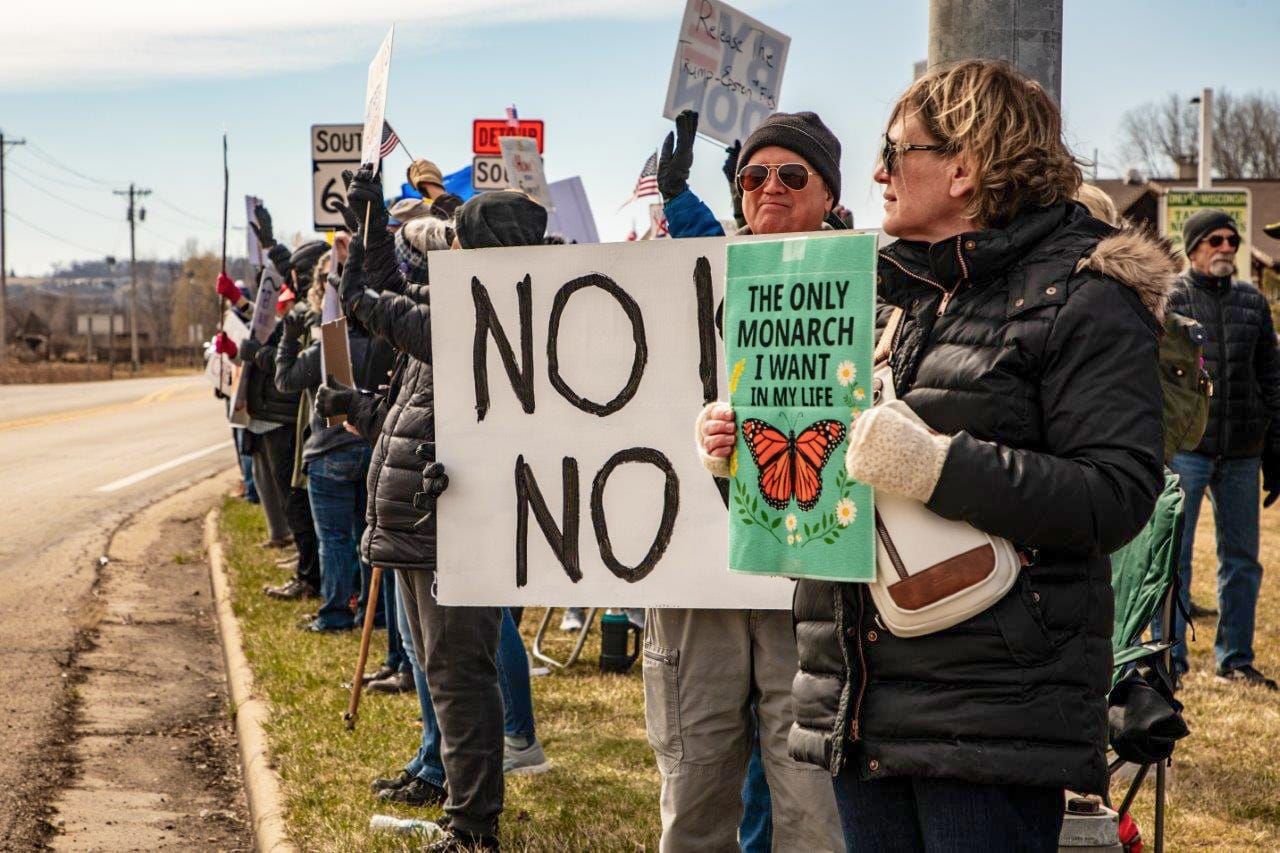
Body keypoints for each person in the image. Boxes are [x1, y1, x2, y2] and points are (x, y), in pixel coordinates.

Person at [700, 60, 1171, 851]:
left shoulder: (1085, 294)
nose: (878, 172)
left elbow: (1116, 493)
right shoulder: (875, 292)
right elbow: (822, 522)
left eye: (897, 150)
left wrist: (939, 468)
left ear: (965, 167)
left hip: (991, 719)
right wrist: (743, 469)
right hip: (861, 705)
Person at [322, 185, 551, 850]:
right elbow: (390, 291)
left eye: (459, 239)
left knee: (458, 677)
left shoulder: (482, 314)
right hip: (423, 521)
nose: (445, 248)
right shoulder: (461, 305)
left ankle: (473, 827)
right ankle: (457, 803)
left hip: (454, 524)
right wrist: (368, 223)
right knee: (440, 670)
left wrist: (365, 237)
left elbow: (367, 299)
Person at [650, 107, 845, 853]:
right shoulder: (700, 270)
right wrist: (677, 199)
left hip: (810, 588)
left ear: (828, 193)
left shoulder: (872, 286)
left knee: (810, 800)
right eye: (753, 175)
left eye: (792, 174)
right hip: (700, 580)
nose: (770, 187)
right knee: (696, 780)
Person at [1154, 208, 1280, 690]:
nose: (1227, 248)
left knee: (1242, 560)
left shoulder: (1253, 301)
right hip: (1185, 450)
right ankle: (1168, 660)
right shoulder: (1169, 299)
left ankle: (1236, 659)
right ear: (1193, 249)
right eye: (1216, 240)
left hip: (1243, 452)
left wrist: (1275, 449)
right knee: (1172, 559)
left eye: (1232, 240)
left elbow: (1271, 377)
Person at [273, 242, 394, 633]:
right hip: (370, 448)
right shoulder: (385, 342)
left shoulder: (327, 346)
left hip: (329, 452)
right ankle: (374, 612)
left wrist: (288, 337)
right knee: (366, 536)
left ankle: (336, 613)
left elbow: (285, 380)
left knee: (335, 539)